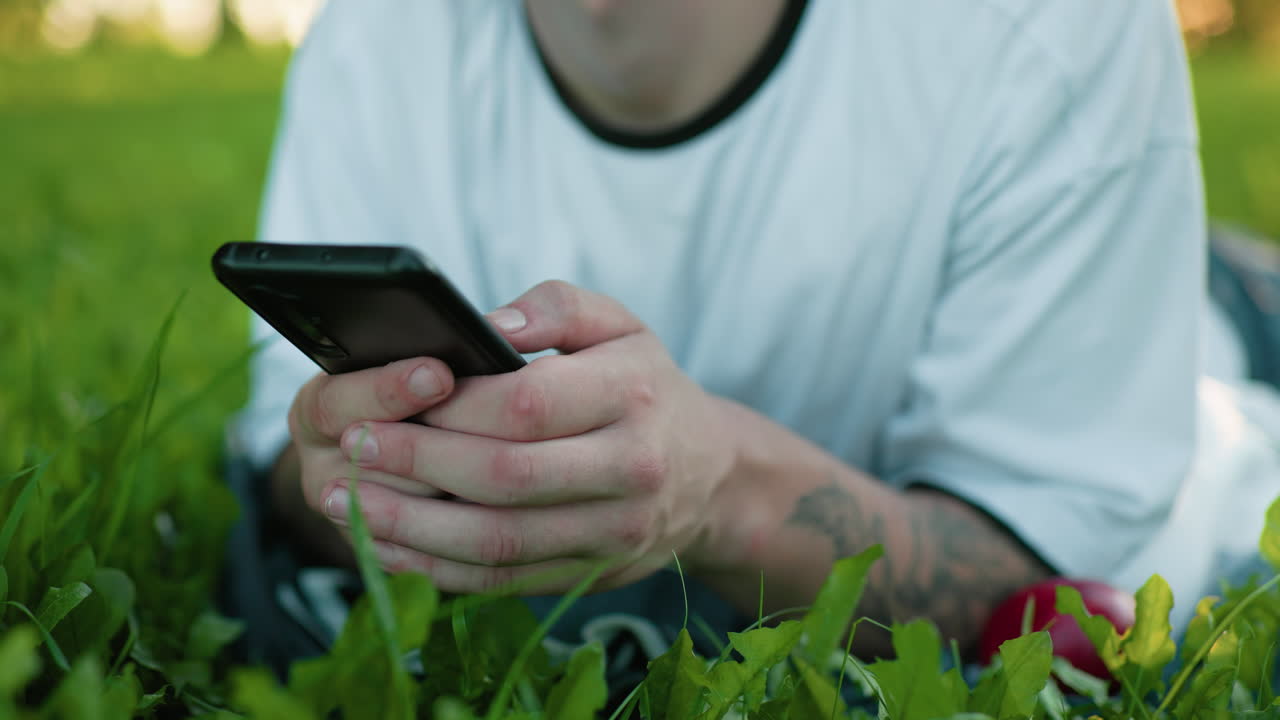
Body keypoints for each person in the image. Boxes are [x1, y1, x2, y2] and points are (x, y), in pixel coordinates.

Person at [226, 0, 1280, 678]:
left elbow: (1029, 580)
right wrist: (353, 471)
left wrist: (719, 492)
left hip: (1182, 350)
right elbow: (287, 456)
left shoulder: (1049, 27)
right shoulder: (370, 39)